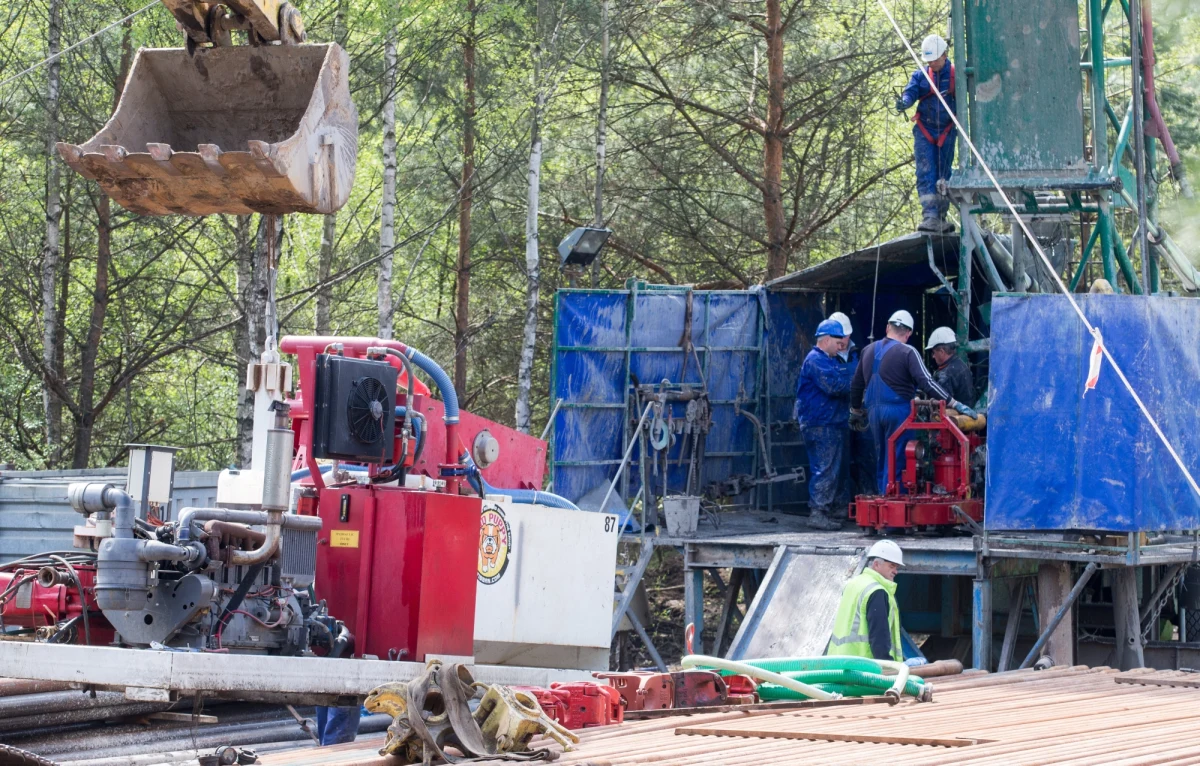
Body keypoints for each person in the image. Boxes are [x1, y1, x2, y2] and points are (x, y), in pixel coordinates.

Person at [849, 310, 976, 493]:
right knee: (899, 461)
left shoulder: (867, 350)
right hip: (899, 413)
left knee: (882, 459)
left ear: (887, 327)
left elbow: (856, 385)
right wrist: (954, 403)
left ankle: (882, 508)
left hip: (874, 413)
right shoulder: (908, 352)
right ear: (908, 334)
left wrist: (855, 410)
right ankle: (894, 514)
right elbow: (927, 383)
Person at [794, 319, 854, 530]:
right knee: (825, 468)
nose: (841, 345)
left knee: (833, 468)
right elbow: (834, 386)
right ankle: (818, 512)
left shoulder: (829, 360)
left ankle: (832, 510)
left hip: (831, 422)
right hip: (821, 424)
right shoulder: (816, 360)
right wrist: (860, 380)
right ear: (826, 339)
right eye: (838, 342)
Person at [895, 34, 957, 234]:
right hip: (925, 131)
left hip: (947, 131)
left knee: (943, 175)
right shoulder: (921, 75)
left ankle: (941, 216)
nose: (931, 63)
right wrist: (904, 101)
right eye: (929, 60)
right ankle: (929, 216)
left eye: (935, 59)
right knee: (925, 171)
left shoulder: (956, 74)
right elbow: (911, 92)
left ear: (945, 55)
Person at [827, 539, 905, 661]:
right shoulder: (877, 592)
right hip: (863, 669)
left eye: (897, 567)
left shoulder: (854, 583)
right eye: (892, 566)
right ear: (876, 564)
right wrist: (888, 666)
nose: (895, 571)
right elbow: (879, 637)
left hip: (839, 663)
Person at [829, 312, 877, 499]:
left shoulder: (860, 353)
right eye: (838, 337)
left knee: (866, 457)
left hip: (862, 414)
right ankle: (841, 504)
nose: (842, 340)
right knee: (840, 462)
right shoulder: (823, 357)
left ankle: (869, 496)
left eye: (845, 336)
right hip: (837, 416)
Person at [925, 326, 976, 407]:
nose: (933, 356)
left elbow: (939, 405)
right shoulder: (960, 365)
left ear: (942, 352)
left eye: (933, 352)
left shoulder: (947, 374)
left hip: (952, 418)